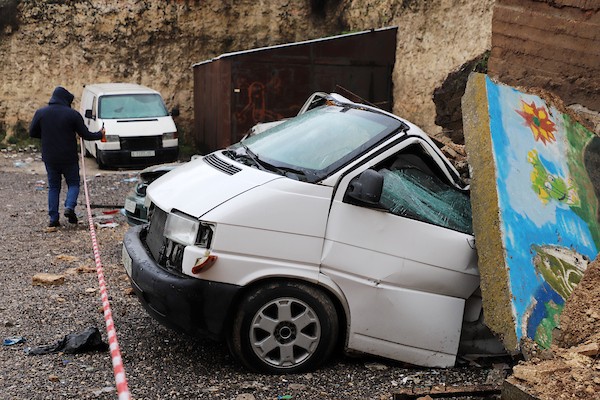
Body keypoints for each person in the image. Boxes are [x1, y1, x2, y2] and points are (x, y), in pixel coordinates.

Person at [29, 86, 105, 228]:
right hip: (68, 157)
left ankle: (53, 219)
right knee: (73, 183)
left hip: (50, 157)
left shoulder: (41, 113)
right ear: (65, 100)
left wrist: (47, 135)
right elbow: (86, 135)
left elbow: (32, 132)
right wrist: (100, 134)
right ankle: (69, 207)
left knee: (54, 187)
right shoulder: (72, 114)